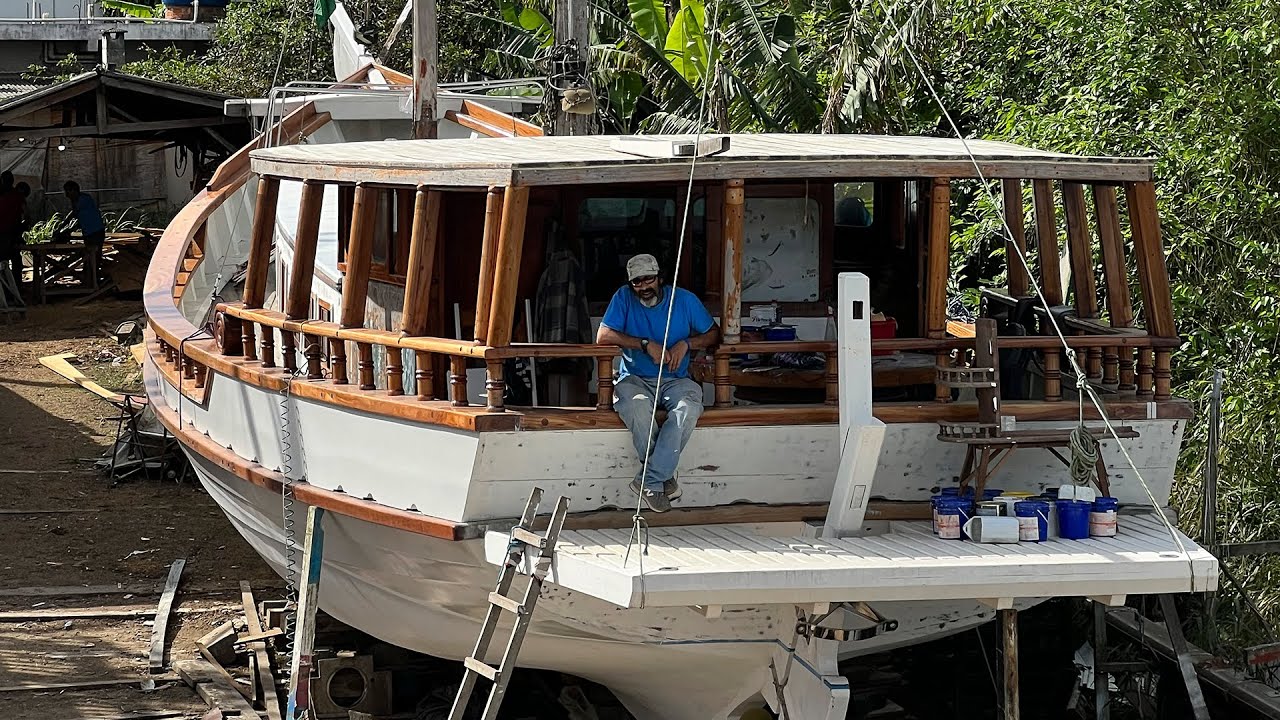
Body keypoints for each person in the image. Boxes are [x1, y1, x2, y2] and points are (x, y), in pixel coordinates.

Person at [597, 253, 720, 512]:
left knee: (688, 408)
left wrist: (686, 344)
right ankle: (661, 479)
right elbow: (603, 335)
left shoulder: (684, 299)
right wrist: (644, 344)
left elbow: (713, 333)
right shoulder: (623, 297)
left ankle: (649, 479)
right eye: (637, 282)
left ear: (660, 278)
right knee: (638, 407)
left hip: (676, 379)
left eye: (648, 279)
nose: (643, 287)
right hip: (634, 378)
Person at [63, 181, 105, 288]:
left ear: (74, 190)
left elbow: (75, 214)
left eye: (68, 191)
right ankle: (89, 280)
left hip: (96, 232)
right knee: (88, 256)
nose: (66, 194)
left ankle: (94, 282)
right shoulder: (76, 201)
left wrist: (65, 228)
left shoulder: (84, 199)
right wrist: (64, 226)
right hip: (88, 233)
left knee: (94, 257)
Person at [0, 172, 23, 285]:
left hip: (8, 233)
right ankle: (14, 285)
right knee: (13, 261)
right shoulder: (16, 196)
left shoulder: (11, 196)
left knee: (7, 261)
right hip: (11, 232)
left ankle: (11, 286)